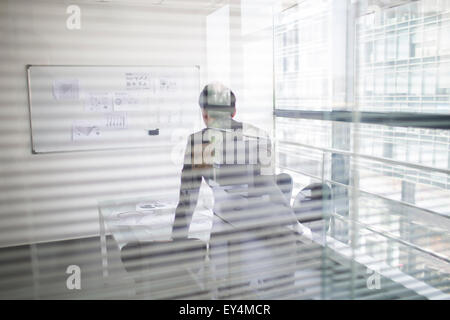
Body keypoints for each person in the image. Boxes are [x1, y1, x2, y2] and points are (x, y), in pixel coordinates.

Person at [171, 82, 311, 296]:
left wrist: (177, 241)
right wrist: (296, 226)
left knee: (232, 292)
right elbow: (269, 186)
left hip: (230, 235)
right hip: (276, 230)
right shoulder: (259, 136)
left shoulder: (200, 143)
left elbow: (188, 198)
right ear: (234, 111)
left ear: (205, 114)